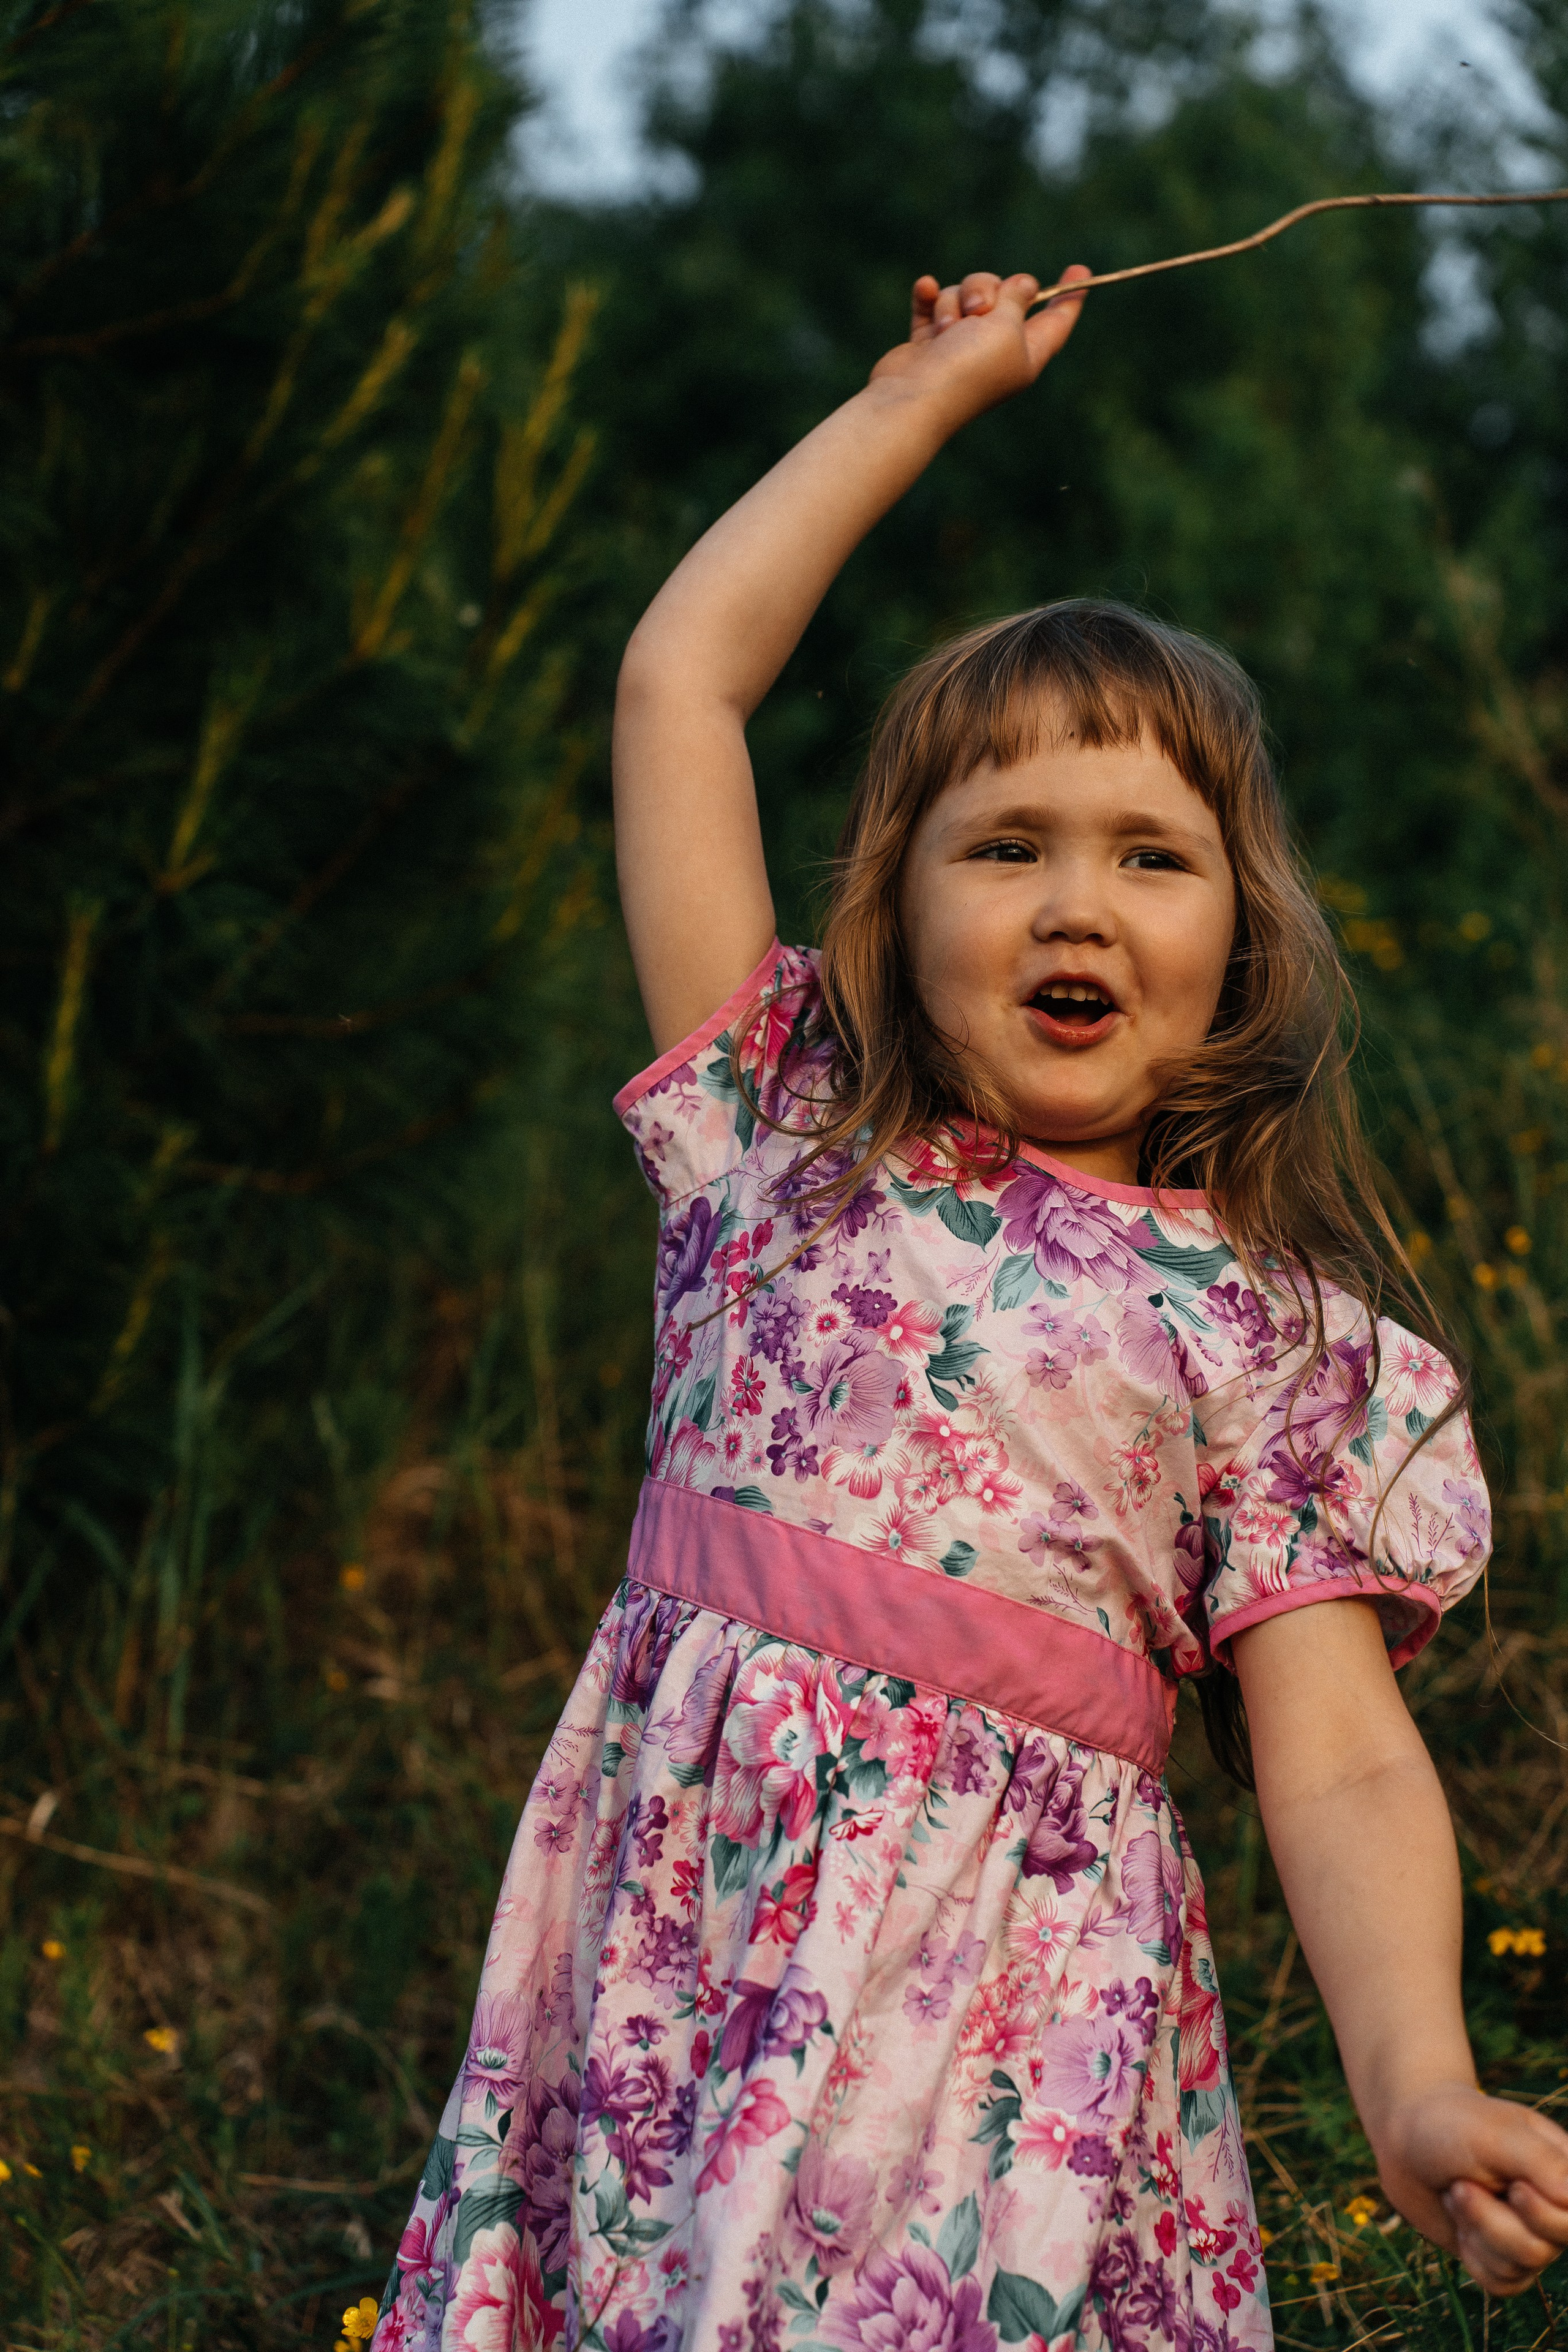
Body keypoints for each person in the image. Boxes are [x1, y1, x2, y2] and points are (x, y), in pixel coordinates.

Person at [373, 266, 1568, 2352]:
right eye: (1004, 845)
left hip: (1012, 2018)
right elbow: (681, 687)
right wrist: (914, 404)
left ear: (1244, 938)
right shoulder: (780, 1137)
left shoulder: (1269, 1335)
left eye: (1151, 858)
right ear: (900, 906)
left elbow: (1346, 1765)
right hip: (694, 1964)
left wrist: (1415, 2075)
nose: (1075, 901)